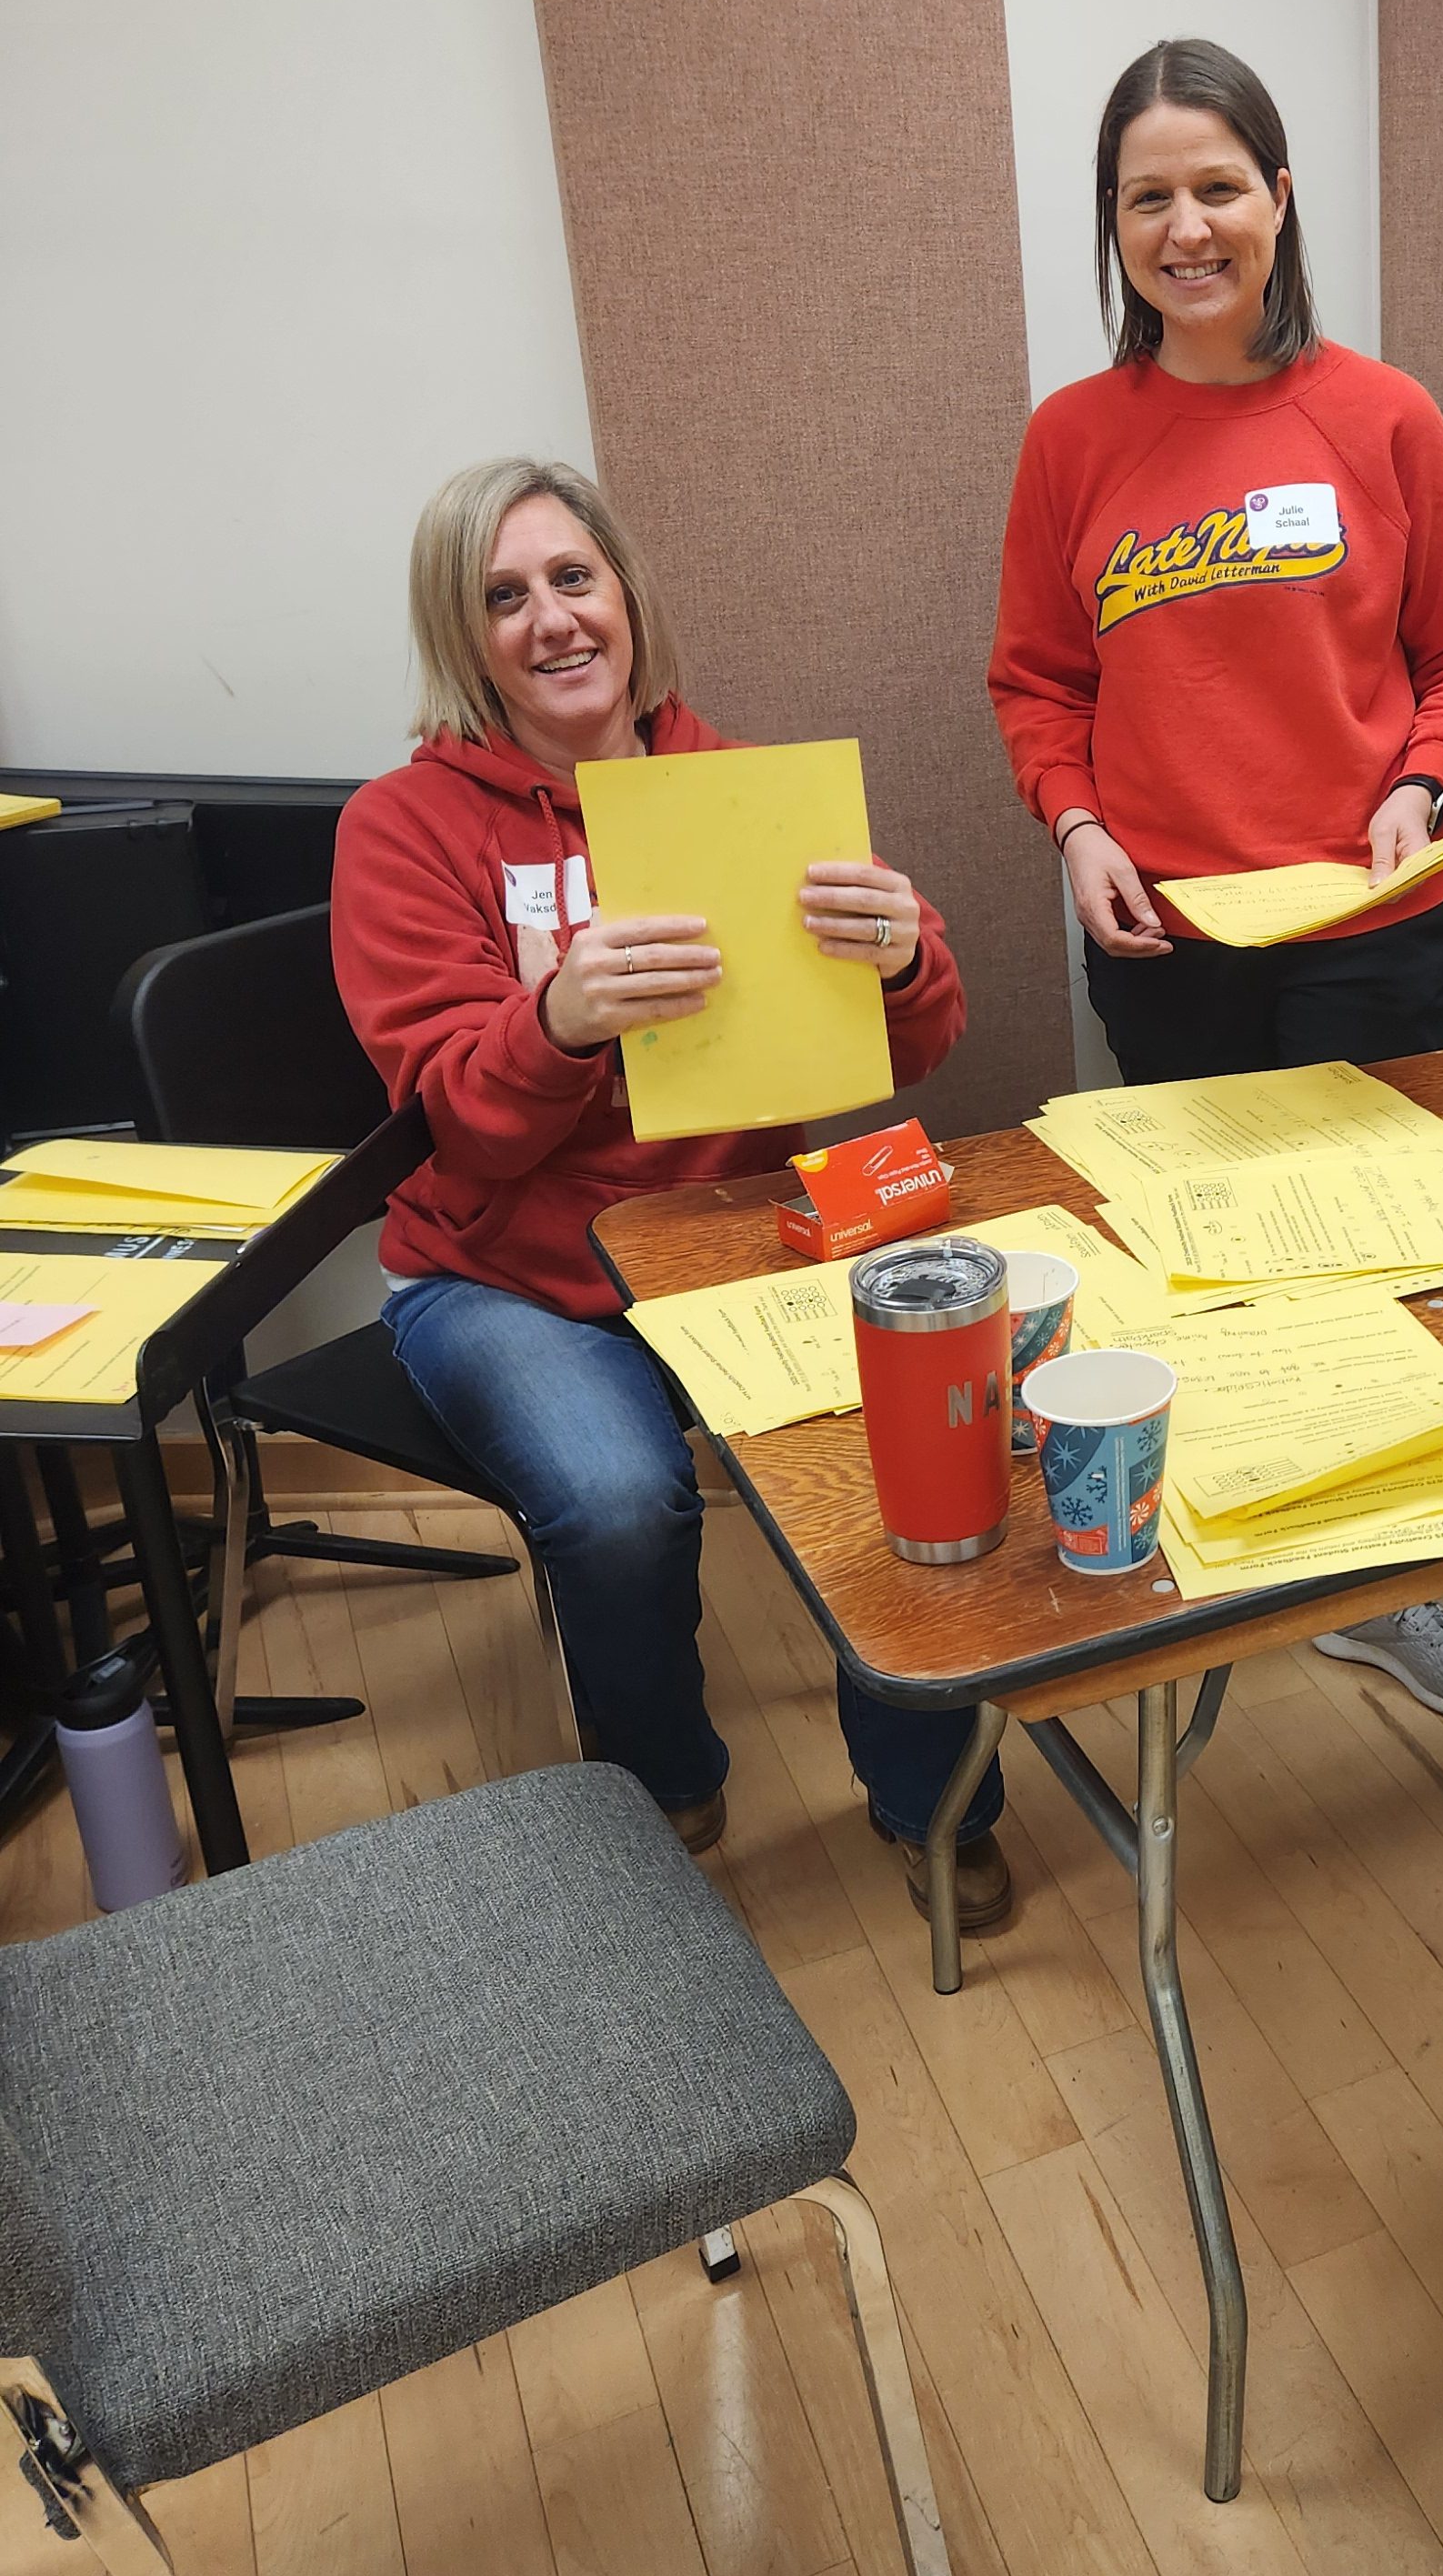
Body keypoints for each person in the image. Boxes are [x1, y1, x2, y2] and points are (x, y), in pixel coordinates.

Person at [334, 456, 1022, 1933]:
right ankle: (660, 1780)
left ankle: (935, 1796)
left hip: (735, 1242)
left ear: (627, 594)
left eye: (572, 578)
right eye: (502, 597)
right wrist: (558, 1022)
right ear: (464, 637)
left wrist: (905, 954)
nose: (550, 620)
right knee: (615, 1501)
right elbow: (452, 1127)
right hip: (503, 1276)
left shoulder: (742, 791)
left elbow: (914, 1042)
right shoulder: (403, 828)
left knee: (921, 1429)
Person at [988, 35, 1443, 1726]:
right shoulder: (1073, 440)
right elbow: (1036, 681)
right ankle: (1244, 1549)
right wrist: (1076, 826)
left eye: (1219, 187)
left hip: (1369, 924)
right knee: (1203, 1259)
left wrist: (1424, 780)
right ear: (1113, 226)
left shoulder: (1385, 417)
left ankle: (1387, 1580)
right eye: (1148, 197)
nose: (1188, 227)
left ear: (1280, 200)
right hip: (1168, 940)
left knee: (1369, 1258)